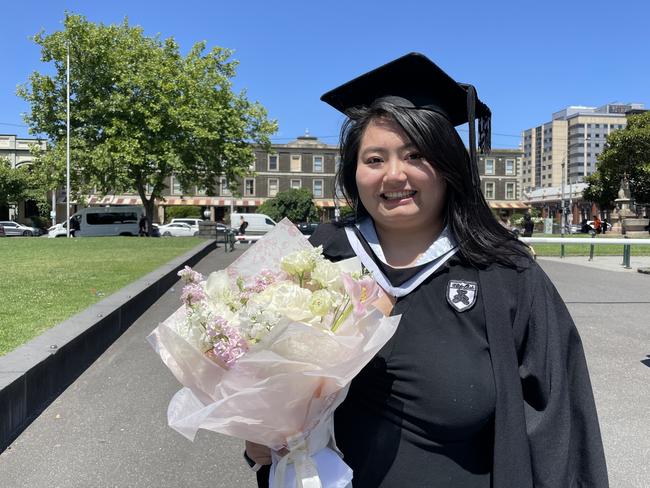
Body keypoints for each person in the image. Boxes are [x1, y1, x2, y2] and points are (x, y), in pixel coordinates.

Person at [246, 53, 608, 487]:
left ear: (449, 166)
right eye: (374, 159)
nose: (394, 175)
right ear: (354, 171)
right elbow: (254, 387)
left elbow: (560, 429)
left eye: (415, 155)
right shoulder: (312, 258)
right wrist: (257, 439)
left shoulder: (504, 275)